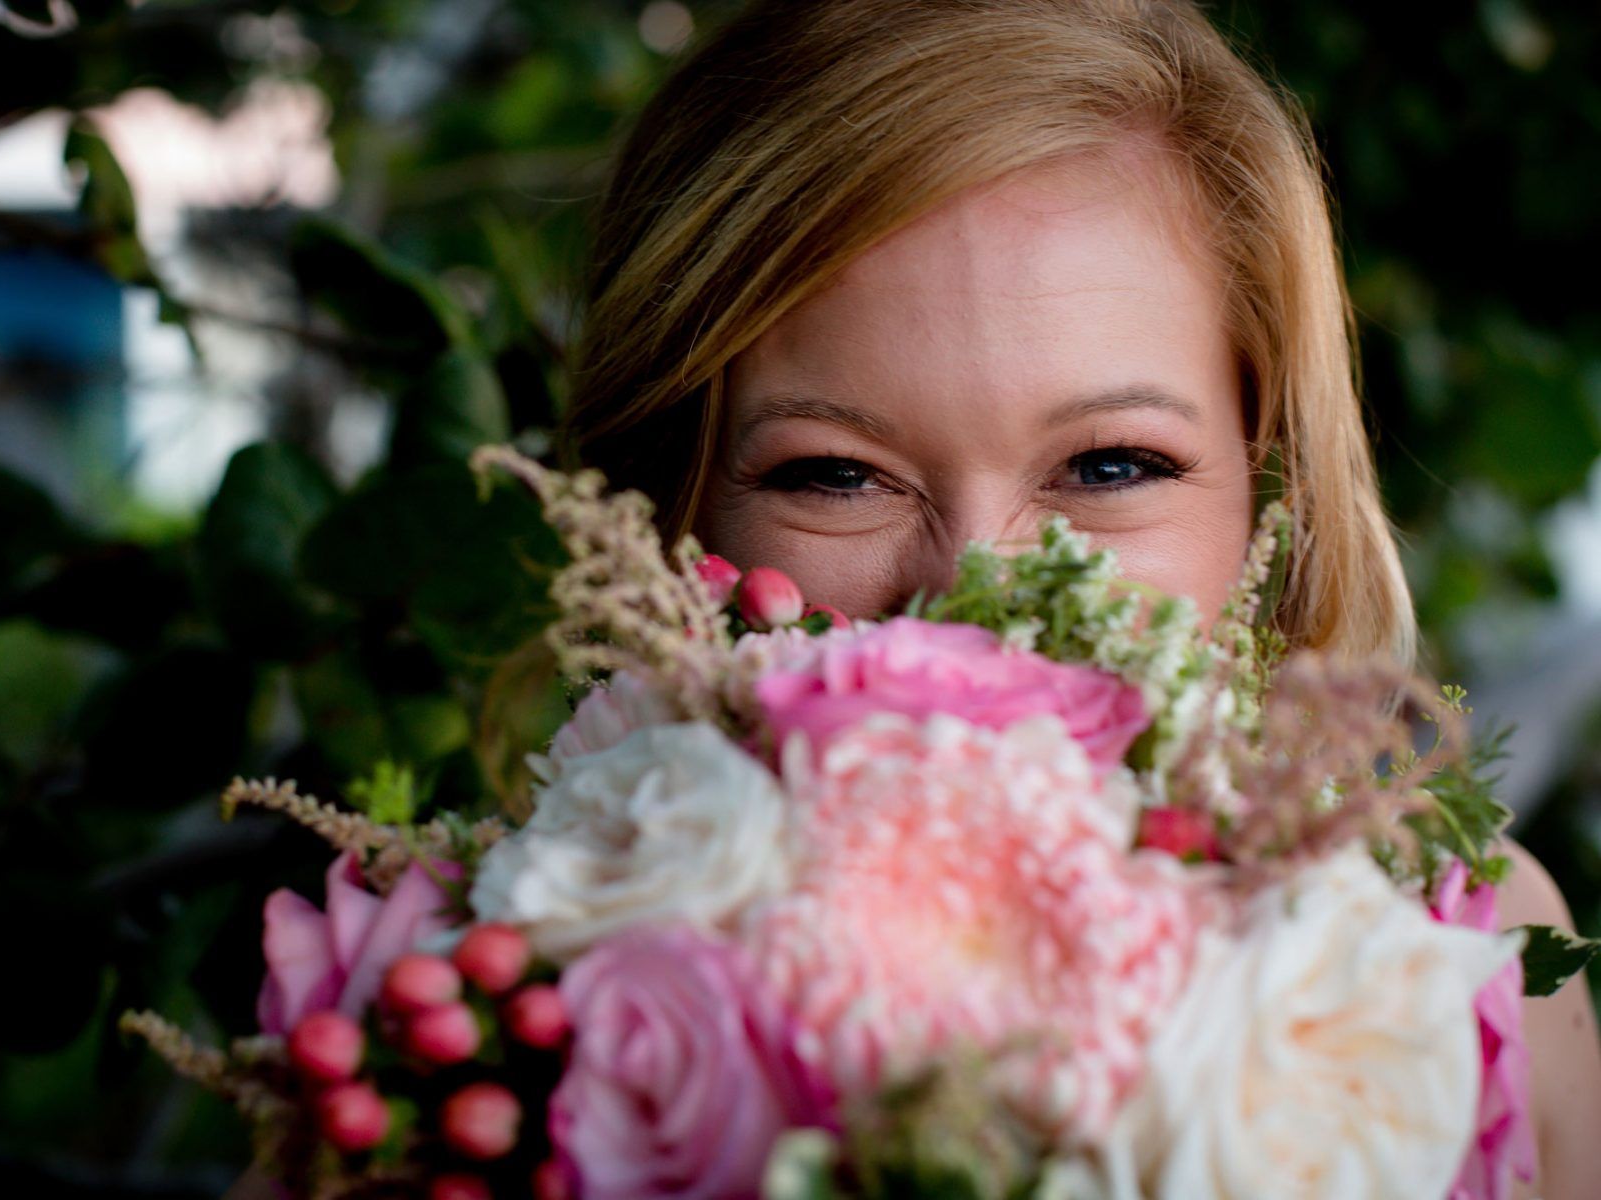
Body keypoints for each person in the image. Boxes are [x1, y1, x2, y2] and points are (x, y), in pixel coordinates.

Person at [559, 0, 1601, 1195]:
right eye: (836, 475)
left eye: (1111, 466)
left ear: (1270, 486)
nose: (979, 598)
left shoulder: (1475, 967)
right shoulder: (534, 985)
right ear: (665, 507)